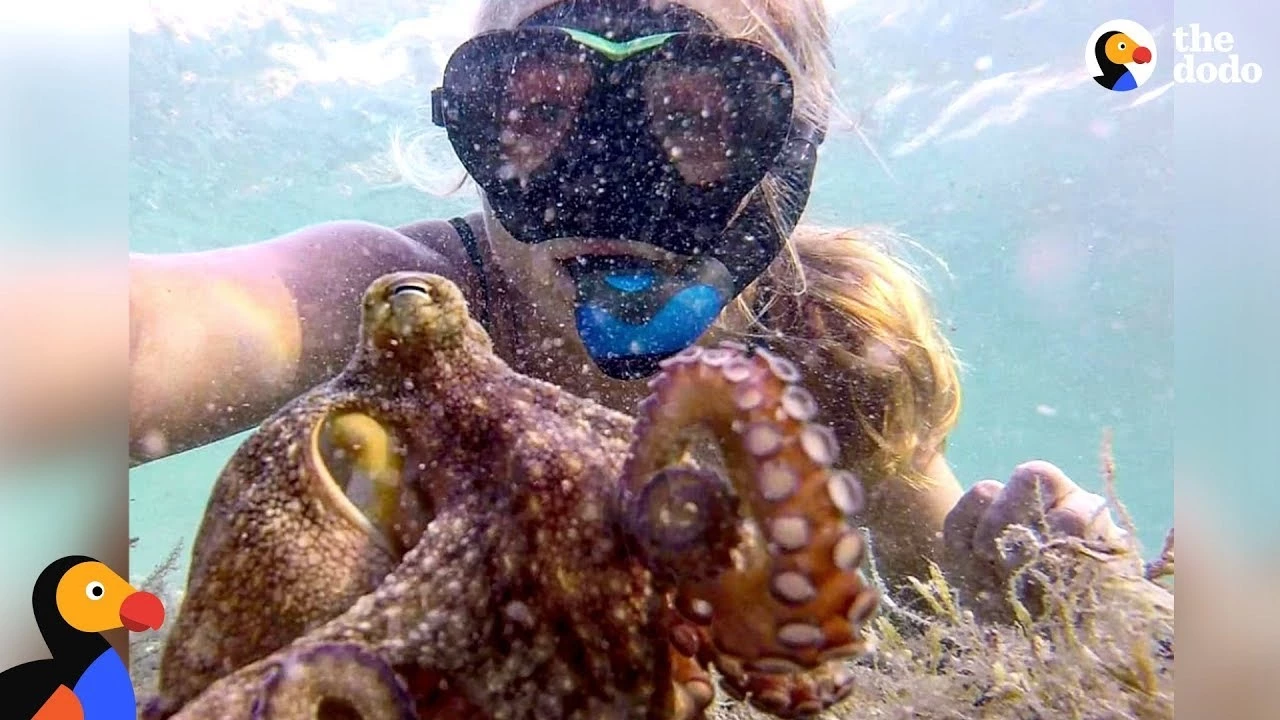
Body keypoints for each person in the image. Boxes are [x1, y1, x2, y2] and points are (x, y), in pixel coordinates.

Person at [126, 0, 1124, 602]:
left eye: (695, 116)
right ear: (469, 125)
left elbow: (934, 585)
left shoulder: (823, 347)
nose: (603, 184)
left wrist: (1022, 584)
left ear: (792, 155)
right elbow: (158, 329)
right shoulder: (395, 301)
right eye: (538, 111)